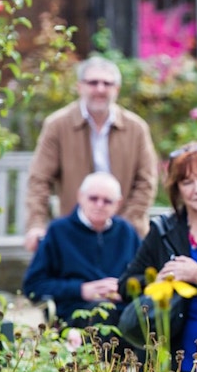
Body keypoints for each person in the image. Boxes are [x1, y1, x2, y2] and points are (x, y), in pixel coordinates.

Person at [119, 143, 197, 372]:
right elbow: (125, 285)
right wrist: (157, 281)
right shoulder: (164, 230)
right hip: (171, 361)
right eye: (187, 182)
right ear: (177, 190)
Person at [24, 56, 158, 249]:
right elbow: (39, 180)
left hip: (127, 233)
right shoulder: (57, 125)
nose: (100, 89)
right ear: (80, 87)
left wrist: (123, 227)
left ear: (117, 89)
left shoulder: (136, 128)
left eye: (107, 83)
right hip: (74, 232)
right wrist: (36, 224)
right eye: (93, 83)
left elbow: (147, 181)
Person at [22, 171, 140, 328]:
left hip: (122, 310)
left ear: (118, 204)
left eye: (107, 201)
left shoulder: (127, 232)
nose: (99, 205)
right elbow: (33, 286)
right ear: (80, 197)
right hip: (74, 313)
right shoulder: (59, 231)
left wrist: (122, 290)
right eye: (93, 198)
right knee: (102, 313)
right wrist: (81, 290)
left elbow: (141, 276)